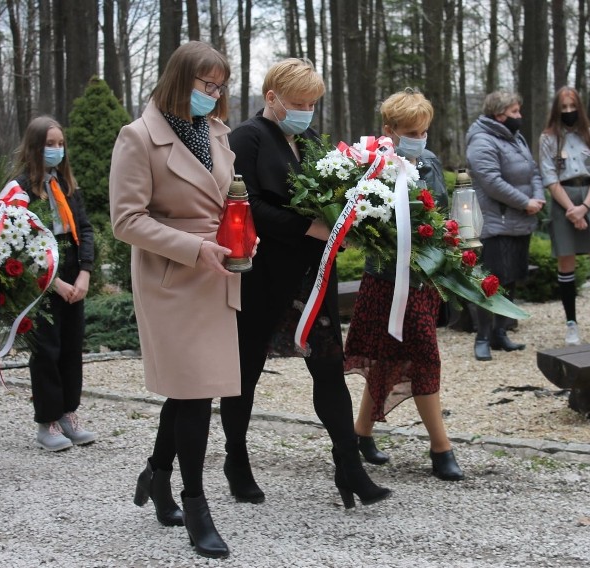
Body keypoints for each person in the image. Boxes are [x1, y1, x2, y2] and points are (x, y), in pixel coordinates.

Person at [221, 57, 390, 509]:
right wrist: (310, 228)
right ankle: (235, 458)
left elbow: (334, 195)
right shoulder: (246, 138)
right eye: (298, 102)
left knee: (328, 366)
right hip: (264, 277)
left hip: (312, 278)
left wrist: (348, 224)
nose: (307, 110)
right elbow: (245, 203)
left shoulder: (311, 139)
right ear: (271, 98)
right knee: (245, 371)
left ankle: (349, 467)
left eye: (313, 103)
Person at [109, 41, 241, 559]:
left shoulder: (216, 132)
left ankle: (158, 475)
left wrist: (238, 234)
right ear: (179, 80)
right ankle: (195, 502)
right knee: (193, 394)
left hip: (218, 274)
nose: (214, 94)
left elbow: (226, 196)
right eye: (206, 85)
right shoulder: (138, 136)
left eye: (219, 86)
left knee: (194, 391)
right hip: (171, 278)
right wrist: (194, 247)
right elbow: (127, 220)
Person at [344, 89, 463, 481]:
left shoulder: (429, 162)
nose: (419, 137)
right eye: (411, 130)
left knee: (401, 356)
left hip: (422, 282)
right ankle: (441, 447)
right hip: (386, 280)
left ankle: (361, 433)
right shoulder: (373, 166)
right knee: (410, 356)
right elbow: (363, 222)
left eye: (424, 130)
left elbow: (442, 218)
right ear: (389, 130)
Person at [11, 116, 97, 452]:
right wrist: (53, 282)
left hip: (73, 270)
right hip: (43, 277)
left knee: (72, 346)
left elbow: (85, 229)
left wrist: (85, 272)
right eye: (50, 144)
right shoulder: (20, 189)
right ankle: (46, 419)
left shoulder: (66, 185)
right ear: (35, 147)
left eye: (60, 144)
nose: (56, 150)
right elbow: (19, 240)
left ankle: (67, 414)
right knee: (46, 349)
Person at [465, 90, 545, 361]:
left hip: (519, 220)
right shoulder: (481, 140)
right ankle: (483, 336)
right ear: (499, 114)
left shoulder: (516, 137)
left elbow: (533, 170)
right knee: (491, 281)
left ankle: (501, 333)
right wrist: (525, 201)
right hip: (495, 222)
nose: (519, 117)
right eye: (514, 112)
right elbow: (490, 181)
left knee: (510, 277)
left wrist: (538, 197)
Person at [539, 87, 590, 345]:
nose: (569, 112)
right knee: (566, 262)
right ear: (557, 111)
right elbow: (549, 177)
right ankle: (571, 324)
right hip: (563, 198)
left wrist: (584, 208)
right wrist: (571, 209)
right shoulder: (548, 138)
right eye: (564, 108)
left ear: (579, 108)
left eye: (573, 107)